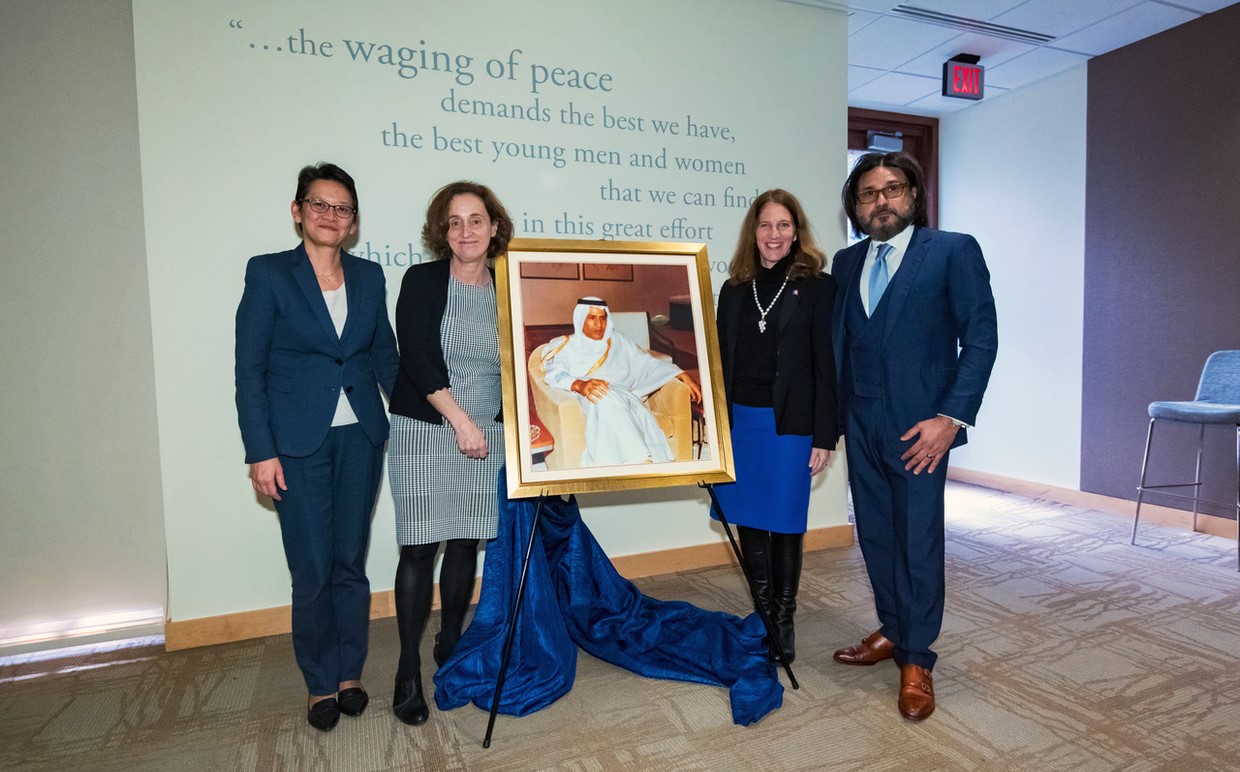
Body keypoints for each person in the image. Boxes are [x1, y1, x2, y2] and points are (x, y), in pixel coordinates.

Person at [830, 152, 997, 720]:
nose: (881, 201)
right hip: (860, 419)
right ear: (856, 206)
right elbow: (839, 346)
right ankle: (894, 631)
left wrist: (951, 419)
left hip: (920, 426)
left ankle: (918, 658)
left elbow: (980, 341)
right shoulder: (846, 262)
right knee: (876, 535)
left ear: (913, 195)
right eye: (869, 193)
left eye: (893, 189)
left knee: (917, 539)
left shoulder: (953, 251)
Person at [235, 163, 399, 731]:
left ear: (354, 222)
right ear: (298, 209)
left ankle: (350, 672)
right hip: (295, 442)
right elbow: (248, 369)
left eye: (343, 208)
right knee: (312, 568)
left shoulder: (371, 276)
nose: (332, 216)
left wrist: (431, 416)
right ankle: (320, 682)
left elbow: (385, 360)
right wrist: (260, 449)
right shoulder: (270, 274)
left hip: (362, 435)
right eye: (320, 204)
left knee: (350, 561)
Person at [386, 181, 513, 726]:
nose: (466, 231)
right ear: (442, 231)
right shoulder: (422, 279)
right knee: (419, 547)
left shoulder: (509, 282)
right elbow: (415, 354)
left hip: (488, 430)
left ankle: (452, 640)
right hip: (427, 424)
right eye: (454, 221)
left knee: (465, 542)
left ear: (493, 227)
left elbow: (522, 358)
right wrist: (459, 420)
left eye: (476, 219)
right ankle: (407, 667)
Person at [712, 189, 838, 666]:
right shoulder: (734, 289)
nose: (774, 235)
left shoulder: (819, 288)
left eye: (784, 225)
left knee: (785, 523)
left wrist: (825, 435)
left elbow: (828, 366)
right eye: (765, 225)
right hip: (741, 422)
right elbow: (721, 361)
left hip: (790, 426)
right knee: (748, 519)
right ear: (753, 232)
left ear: (797, 232)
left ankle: (784, 620)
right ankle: (764, 612)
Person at [541, 297, 701, 467]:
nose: (599, 324)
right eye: (592, 318)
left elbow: (645, 363)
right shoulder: (567, 345)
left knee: (609, 397)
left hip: (625, 395)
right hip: (591, 396)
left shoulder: (617, 341)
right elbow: (555, 374)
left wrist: (679, 373)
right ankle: (640, 462)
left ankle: (639, 463)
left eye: (603, 318)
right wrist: (580, 385)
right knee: (602, 397)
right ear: (581, 319)